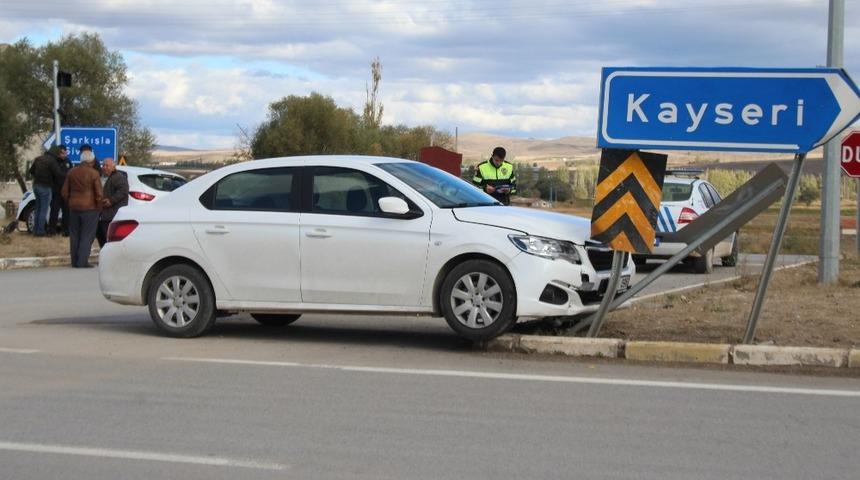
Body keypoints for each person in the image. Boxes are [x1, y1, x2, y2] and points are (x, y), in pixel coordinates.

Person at [61, 150, 103, 268]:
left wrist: (70, 202)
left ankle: (74, 261)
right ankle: (82, 261)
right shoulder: (94, 174)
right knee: (87, 235)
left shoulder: (71, 172)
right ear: (91, 161)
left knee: (74, 235)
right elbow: (99, 194)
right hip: (90, 208)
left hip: (74, 208)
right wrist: (99, 208)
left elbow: (64, 192)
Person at [28, 145, 65, 236]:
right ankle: (40, 231)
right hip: (45, 187)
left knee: (38, 208)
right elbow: (58, 174)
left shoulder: (38, 159)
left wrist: (38, 177)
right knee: (43, 210)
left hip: (36, 186)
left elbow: (31, 171)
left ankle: (35, 230)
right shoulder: (52, 161)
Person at [96, 158, 128, 248]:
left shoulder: (119, 177)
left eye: (107, 166)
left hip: (112, 214)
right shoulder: (105, 177)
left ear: (113, 167)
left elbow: (123, 191)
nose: (104, 167)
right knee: (101, 236)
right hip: (104, 214)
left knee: (109, 239)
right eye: (103, 165)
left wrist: (111, 200)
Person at [48, 145, 73, 236]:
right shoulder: (54, 162)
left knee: (67, 211)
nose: (63, 155)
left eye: (65, 153)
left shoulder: (68, 162)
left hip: (66, 190)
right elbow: (54, 174)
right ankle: (52, 230)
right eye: (62, 153)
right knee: (54, 210)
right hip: (56, 190)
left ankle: (66, 230)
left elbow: (71, 174)